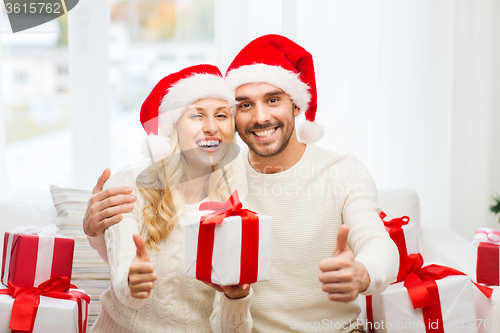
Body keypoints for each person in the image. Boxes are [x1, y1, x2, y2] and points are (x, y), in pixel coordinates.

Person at [85, 35, 399, 333]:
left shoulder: (341, 171)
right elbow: (157, 241)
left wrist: (363, 273)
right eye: (245, 105)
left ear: (296, 106)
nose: (260, 118)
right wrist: (96, 228)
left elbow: (377, 242)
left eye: (273, 100)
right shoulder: (217, 174)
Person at [87, 64, 253, 333]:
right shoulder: (130, 184)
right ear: (173, 127)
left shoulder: (237, 202)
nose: (211, 127)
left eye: (221, 116)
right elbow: (123, 277)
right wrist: (133, 282)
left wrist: (236, 297)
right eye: (197, 116)